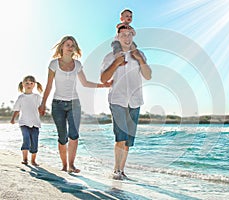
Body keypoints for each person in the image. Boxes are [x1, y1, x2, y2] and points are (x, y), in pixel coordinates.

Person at [39, 36, 111, 173]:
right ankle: (64, 165)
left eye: (72, 45)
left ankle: (71, 165)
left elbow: (85, 83)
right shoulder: (54, 64)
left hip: (74, 104)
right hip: (57, 104)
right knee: (62, 137)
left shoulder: (77, 65)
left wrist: (103, 85)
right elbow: (49, 86)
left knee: (74, 135)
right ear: (62, 47)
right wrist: (43, 104)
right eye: (67, 45)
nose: (70, 47)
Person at [101, 25, 152, 180]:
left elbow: (148, 75)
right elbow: (103, 79)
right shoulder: (110, 56)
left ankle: (122, 171)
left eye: (129, 34)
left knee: (128, 140)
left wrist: (140, 60)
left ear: (133, 36)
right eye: (123, 35)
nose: (127, 38)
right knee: (121, 136)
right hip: (117, 99)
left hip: (135, 101)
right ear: (118, 37)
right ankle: (116, 170)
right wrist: (116, 62)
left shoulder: (140, 54)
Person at [11, 75, 43, 166]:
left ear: (34, 85)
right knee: (26, 139)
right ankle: (25, 159)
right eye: (27, 83)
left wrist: (42, 110)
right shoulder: (21, 97)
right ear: (23, 84)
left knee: (34, 142)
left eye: (31, 83)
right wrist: (13, 119)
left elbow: (41, 107)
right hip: (23, 122)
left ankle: (33, 160)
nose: (29, 84)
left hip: (35, 123)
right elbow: (17, 109)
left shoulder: (37, 97)